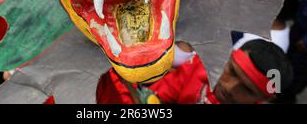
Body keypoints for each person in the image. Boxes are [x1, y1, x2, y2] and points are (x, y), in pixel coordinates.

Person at [97, 39, 293, 104]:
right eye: (232, 72)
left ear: (263, 99)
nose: (230, 87)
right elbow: (158, 98)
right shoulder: (201, 66)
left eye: (248, 89)